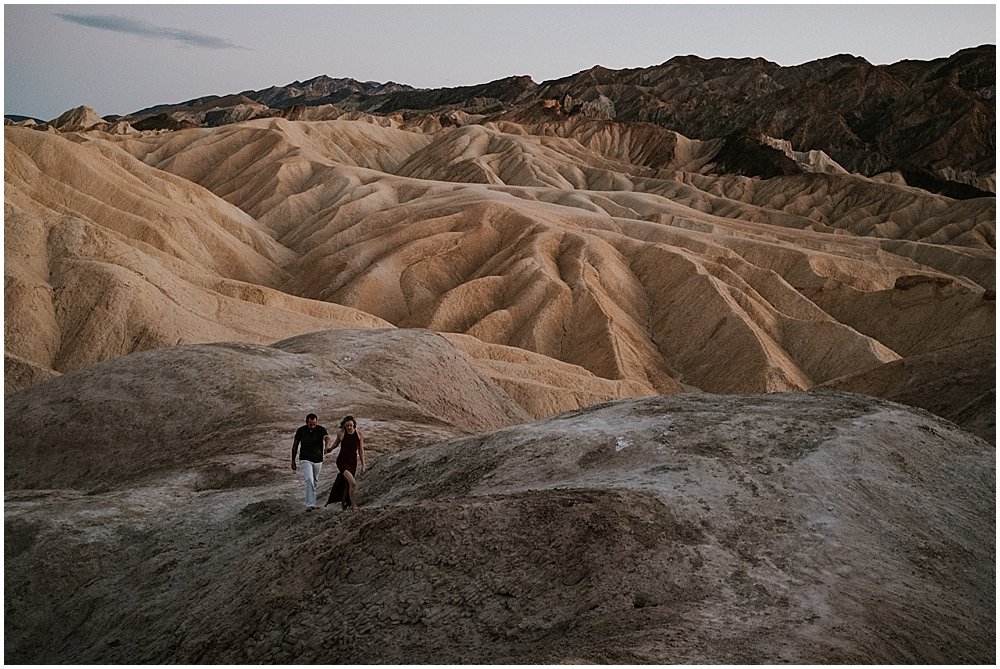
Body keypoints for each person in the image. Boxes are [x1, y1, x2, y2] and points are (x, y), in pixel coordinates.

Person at [325, 415, 366, 510]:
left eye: (350, 425)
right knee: (353, 483)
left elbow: (361, 450)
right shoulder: (341, 434)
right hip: (342, 461)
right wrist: (330, 449)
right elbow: (336, 444)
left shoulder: (359, 434)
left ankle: (343, 505)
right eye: (346, 426)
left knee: (347, 484)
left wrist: (363, 465)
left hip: (353, 462)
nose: (348, 427)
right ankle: (353, 505)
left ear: (354, 425)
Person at [291, 413, 330, 511]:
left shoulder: (321, 429)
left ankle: (313, 503)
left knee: (315, 481)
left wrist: (326, 446)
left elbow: (327, 438)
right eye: (310, 424)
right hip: (305, 459)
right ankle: (309, 504)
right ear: (306, 422)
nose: (312, 426)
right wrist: (293, 460)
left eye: (314, 424)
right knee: (309, 479)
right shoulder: (301, 431)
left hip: (318, 459)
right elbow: (295, 445)